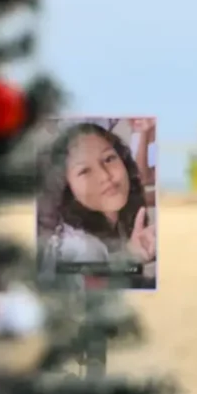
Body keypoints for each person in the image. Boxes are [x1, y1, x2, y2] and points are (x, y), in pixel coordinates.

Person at [37, 121, 156, 289]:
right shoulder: (82, 247)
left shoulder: (121, 221)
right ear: (67, 187)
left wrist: (130, 257)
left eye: (109, 159)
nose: (104, 176)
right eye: (84, 171)